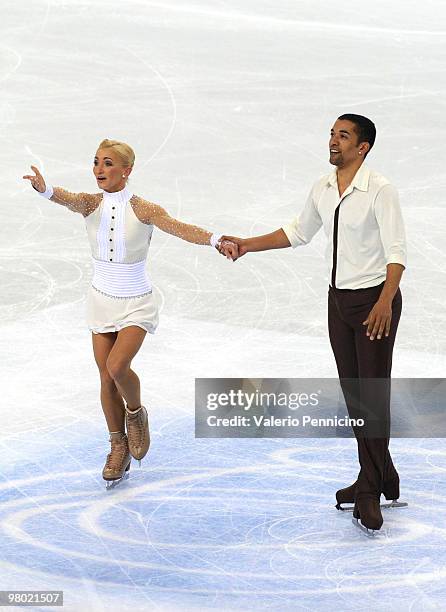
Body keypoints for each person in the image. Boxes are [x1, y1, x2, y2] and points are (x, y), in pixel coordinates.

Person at [218, 114, 407, 534]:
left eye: (344, 136)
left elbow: (397, 251)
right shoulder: (323, 187)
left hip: (374, 301)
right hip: (338, 303)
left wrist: (385, 302)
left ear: (363, 147)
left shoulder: (380, 189)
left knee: (370, 396)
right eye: (332, 134)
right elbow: (299, 232)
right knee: (355, 393)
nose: (334, 141)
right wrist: (248, 245)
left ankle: (369, 491)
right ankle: (381, 474)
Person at [23, 139, 237, 489]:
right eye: (96, 162)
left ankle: (135, 415)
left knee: (117, 366)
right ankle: (117, 445)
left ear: (127, 170)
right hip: (101, 299)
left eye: (108, 163)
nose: (99, 170)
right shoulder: (90, 204)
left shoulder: (145, 209)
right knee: (106, 379)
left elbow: (180, 228)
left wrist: (216, 240)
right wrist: (45, 189)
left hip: (136, 300)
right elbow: (66, 198)